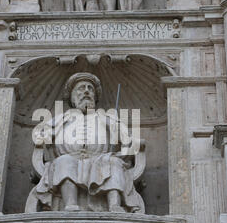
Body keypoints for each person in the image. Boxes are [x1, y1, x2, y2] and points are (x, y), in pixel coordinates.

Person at [33, 73, 145, 213]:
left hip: (101, 158)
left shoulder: (107, 118)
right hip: (70, 157)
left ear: (95, 97)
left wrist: (133, 142)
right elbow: (41, 135)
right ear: (72, 97)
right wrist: (42, 136)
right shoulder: (60, 119)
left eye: (90, 89)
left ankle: (114, 205)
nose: (86, 91)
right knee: (64, 161)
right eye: (81, 88)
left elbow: (127, 139)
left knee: (113, 162)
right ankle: (70, 205)